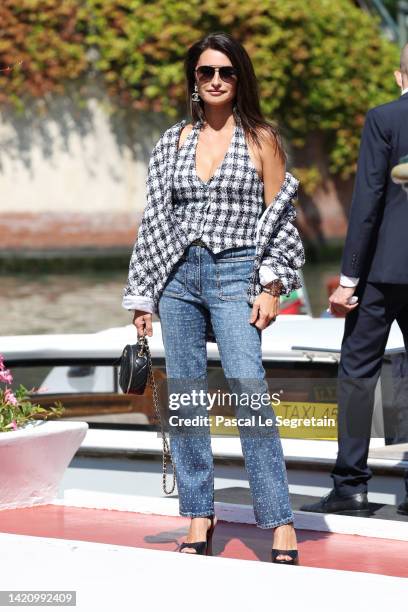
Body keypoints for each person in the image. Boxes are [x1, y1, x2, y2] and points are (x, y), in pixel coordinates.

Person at [122, 31, 304, 562]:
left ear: (239, 78)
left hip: (235, 273)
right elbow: (155, 221)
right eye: (206, 73)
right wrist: (143, 295)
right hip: (178, 279)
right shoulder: (174, 140)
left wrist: (272, 286)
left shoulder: (262, 139)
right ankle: (200, 514)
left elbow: (280, 220)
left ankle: (280, 521)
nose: (217, 81)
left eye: (226, 72)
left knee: (249, 395)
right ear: (194, 81)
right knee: (186, 402)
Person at [301, 44, 408, 517]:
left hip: (383, 272)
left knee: (359, 372)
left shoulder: (385, 118)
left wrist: (348, 279)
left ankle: (352, 486)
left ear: (399, 75)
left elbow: (367, 204)